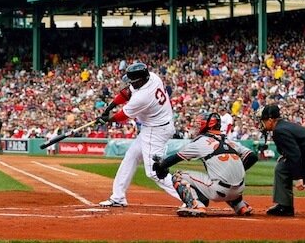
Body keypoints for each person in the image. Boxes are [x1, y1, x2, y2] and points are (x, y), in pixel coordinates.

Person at [97, 62, 180, 207]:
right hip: (154, 127)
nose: (130, 84)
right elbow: (126, 93)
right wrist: (109, 108)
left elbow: (123, 116)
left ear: (140, 80)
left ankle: (189, 197)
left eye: (132, 82)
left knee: (154, 171)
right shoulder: (152, 77)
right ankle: (118, 197)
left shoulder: (143, 96)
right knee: (131, 157)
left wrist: (107, 119)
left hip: (156, 131)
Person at [152, 112, 258, 217]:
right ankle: (241, 206)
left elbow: (176, 158)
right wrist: (238, 170)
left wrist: (161, 166)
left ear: (208, 125)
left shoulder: (201, 141)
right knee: (227, 178)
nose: (198, 126)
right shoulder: (230, 142)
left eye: (200, 123)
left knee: (178, 176)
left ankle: (196, 205)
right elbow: (252, 157)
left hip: (218, 191)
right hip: (239, 190)